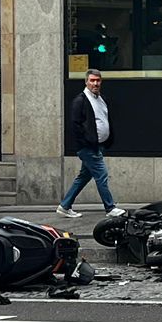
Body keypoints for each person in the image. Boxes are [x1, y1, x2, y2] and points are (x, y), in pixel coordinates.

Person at [57, 69, 117, 218]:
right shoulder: (81, 100)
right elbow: (76, 125)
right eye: (92, 80)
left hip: (98, 146)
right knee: (101, 175)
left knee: (84, 176)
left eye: (98, 80)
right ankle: (110, 208)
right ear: (86, 82)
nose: (95, 83)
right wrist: (87, 143)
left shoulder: (100, 99)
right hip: (88, 148)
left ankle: (65, 206)